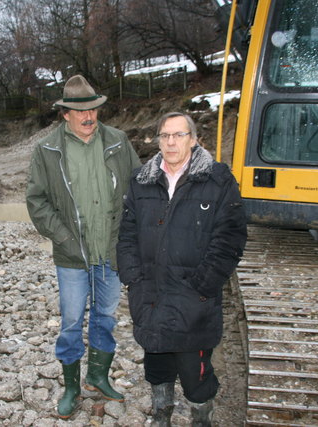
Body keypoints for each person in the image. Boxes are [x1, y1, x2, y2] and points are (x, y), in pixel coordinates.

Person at [116, 112, 247, 426]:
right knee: (156, 361)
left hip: (193, 299)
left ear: (193, 139)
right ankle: (162, 414)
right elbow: (126, 234)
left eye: (179, 135)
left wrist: (204, 284)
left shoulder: (217, 180)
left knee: (194, 373)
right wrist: (133, 278)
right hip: (150, 294)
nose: (171, 142)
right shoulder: (141, 180)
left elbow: (230, 237)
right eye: (165, 135)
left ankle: (201, 418)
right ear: (158, 140)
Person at [26, 74, 141, 419]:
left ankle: (98, 377)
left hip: (110, 251)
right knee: (72, 321)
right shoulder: (47, 150)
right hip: (71, 256)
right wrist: (63, 238)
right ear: (65, 114)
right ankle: (72, 387)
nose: (89, 117)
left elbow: (138, 188)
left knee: (105, 317)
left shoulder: (119, 141)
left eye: (93, 109)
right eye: (80, 112)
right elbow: (37, 202)